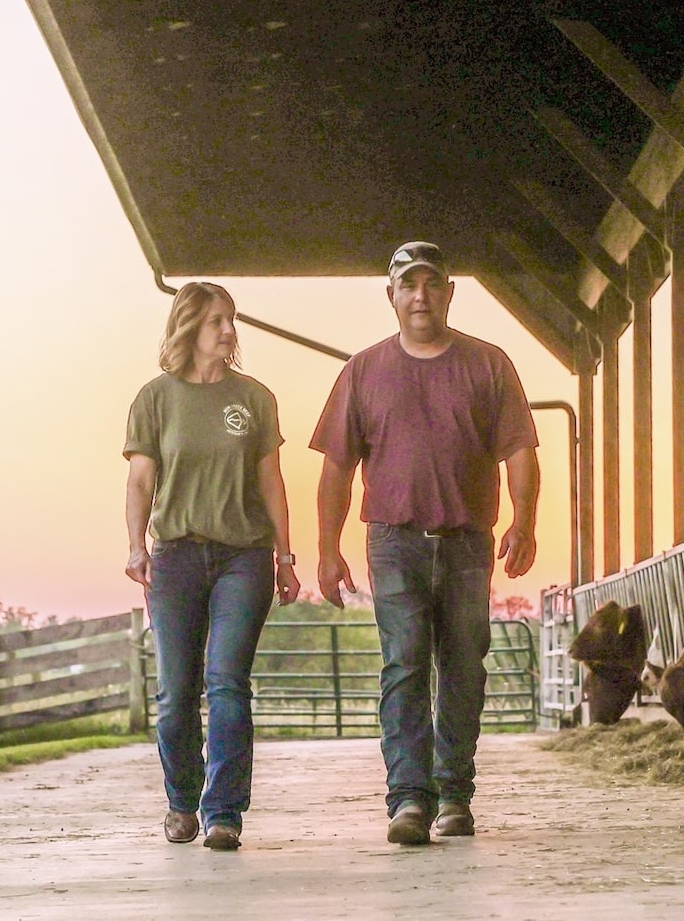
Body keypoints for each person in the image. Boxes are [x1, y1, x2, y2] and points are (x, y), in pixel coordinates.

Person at [312, 242, 539, 846]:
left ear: (448, 292)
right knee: (405, 662)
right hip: (393, 540)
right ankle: (409, 798)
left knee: (464, 666)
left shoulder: (488, 364)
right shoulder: (363, 370)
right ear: (391, 295)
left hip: (467, 541)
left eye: (431, 284)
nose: (420, 295)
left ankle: (455, 796)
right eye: (408, 285)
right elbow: (336, 467)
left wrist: (525, 520)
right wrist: (328, 550)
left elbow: (518, 449)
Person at [124, 282, 299, 849]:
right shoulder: (155, 398)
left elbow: (271, 482)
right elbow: (141, 481)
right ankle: (181, 802)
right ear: (189, 328)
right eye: (216, 321)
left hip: (242, 557)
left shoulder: (254, 398)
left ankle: (224, 812)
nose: (228, 331)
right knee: (176, 693)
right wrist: (135, 546)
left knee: (226, 683)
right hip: (174, 557)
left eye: (232, 320)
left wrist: (286, 555)